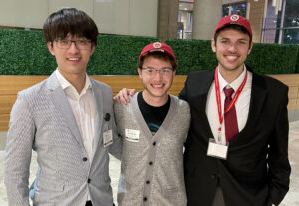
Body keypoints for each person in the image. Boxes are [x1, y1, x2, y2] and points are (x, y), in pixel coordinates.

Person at [114, 15, 291, 206]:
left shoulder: (273, 93)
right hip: (199, 193)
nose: (232, 48)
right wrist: (131, 97)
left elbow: (279, 154)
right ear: (214, 45)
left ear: (249, 47)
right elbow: (167, 111)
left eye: (240, 42)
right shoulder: (195, 83)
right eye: (225, 41)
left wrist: (274, 198)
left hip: (249, 197)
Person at [4, 8, 121, 206]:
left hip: (101, 200)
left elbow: (113, 144)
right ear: (51, 47)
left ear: (92, 47)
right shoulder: (29, 100)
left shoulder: (105, 93)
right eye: (64, 41)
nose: (73, 50)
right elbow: (15, 170)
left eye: (82, 41)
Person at [114, 42, 190, 206]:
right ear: (140, 72)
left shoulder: (184, 111)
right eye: (150, 70)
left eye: (165, 70)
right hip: (129, 201)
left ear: (174, 72)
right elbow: (112, 143)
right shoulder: (122, 107)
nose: (158, 78)